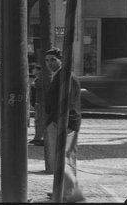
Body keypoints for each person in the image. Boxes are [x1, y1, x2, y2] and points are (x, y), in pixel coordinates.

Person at [43, 48, 84, 202]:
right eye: (47, 60)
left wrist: (59, 122)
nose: (49, 63)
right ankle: (64, 191)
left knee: (62, 159)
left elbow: (68, 103)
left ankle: (73, 194)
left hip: (64, 123)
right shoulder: (60, 75)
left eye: (52, 59)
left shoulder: (66, 76)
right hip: (60, 122)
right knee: (65, 159)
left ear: (61, 59)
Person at [29, 63, 45, 145]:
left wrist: (34, 84)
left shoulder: (41, 79)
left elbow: (38, 87)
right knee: (37, 121)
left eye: (34, 69)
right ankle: (37, 137)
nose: (32, 71)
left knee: (40, 120)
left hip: (41, 102)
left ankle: (39, 137)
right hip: (38, 102)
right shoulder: (38, 78)